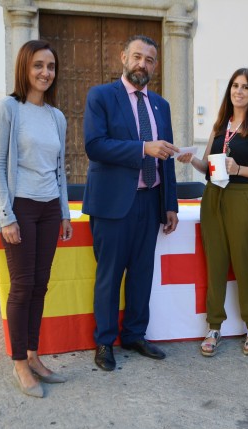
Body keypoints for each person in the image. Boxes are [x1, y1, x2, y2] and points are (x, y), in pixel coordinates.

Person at [83, 35, 180, 372]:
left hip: (149, 202)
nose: (143, 64)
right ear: (124, 57)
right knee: (109, 276)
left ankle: (135, 334)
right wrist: (143, 148)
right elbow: (95, 145)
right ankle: (105, 342)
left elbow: (165, 156)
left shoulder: (161, 105)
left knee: (142, 273)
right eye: (137, 57)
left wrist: (170, 204)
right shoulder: (101, 96)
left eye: (150, 60)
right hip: (113, 204)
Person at [0, 40, 73, 398]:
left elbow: (60, 171)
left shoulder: (57, 117)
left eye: (51, 66)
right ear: (25, 68)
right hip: (20, 208)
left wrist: (65, 212)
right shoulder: (9, 108)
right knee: (22, 286)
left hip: (49, 207)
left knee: (40, 285)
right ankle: (19, 362)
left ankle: (34, 355)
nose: (45, 72)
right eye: (38, 65)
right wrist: (6, 215)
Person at [177, 68, 248, 357]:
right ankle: (214, 325)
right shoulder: (221, 124)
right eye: (235, 85)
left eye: (245, 87)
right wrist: (192, 159)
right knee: (216, 262)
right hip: (213, 196)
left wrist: (239, 169)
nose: (239, 91)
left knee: (243, 263)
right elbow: (209, 166)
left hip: (244, 197)